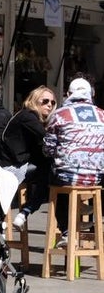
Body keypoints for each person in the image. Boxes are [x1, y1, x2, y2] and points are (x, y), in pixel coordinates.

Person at [43, 76, 104, 246]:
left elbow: (48, 149)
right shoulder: (102, 115)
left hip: (67, 178)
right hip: (96, 179)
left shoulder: (59, 114)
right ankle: (86, 214)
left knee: (54, 177)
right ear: (90, 94)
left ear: (69, 94)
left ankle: (67, 231)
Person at [0, 85, 57, 228]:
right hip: (10, 168)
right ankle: (27, 212)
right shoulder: (28, 117)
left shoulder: (30, 118)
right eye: (45, 101)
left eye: (52, 102)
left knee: (50, 168)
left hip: (17, 165)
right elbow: (46, 138)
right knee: (52, 172)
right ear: (34, 101)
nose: (49, 105)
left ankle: (25, 212)